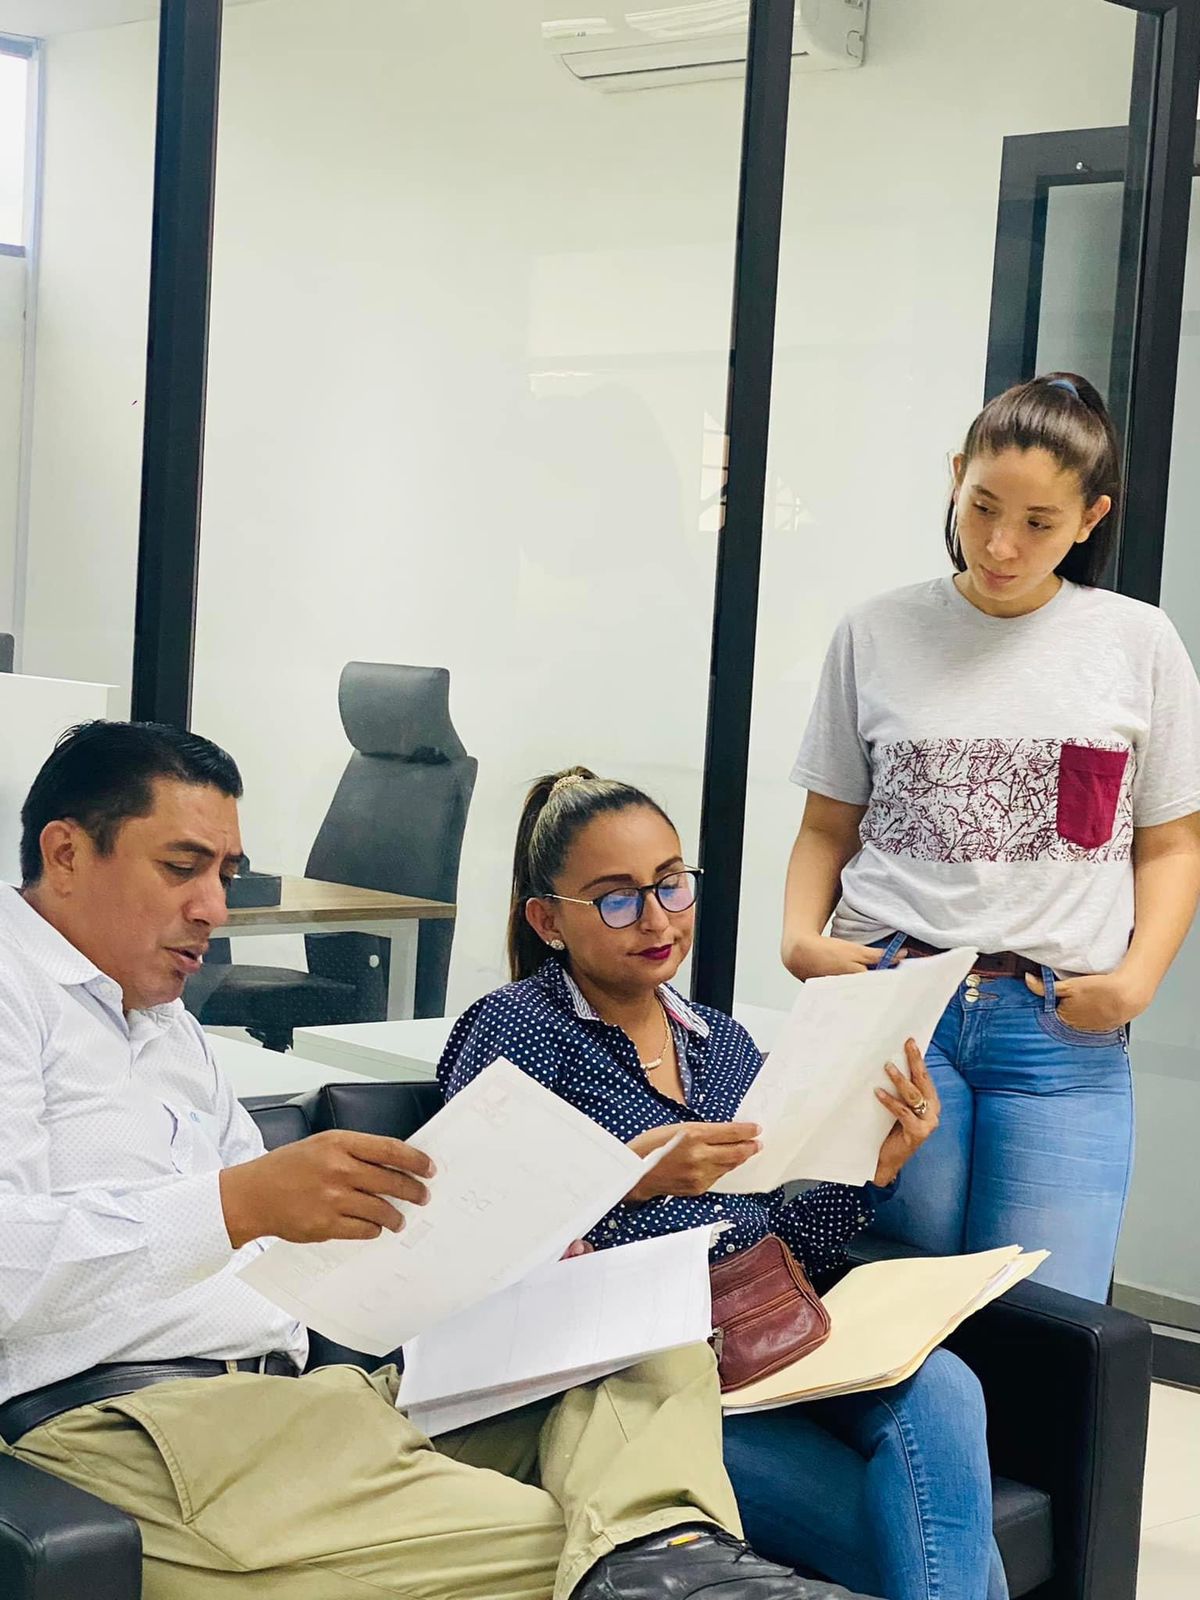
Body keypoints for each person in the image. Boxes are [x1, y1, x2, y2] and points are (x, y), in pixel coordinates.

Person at [0, 721, 875, 1600]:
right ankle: (669, 1564)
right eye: (181, 868)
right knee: (582, 1554)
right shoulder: (15, 990)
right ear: (67, 854)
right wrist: (240, 1204)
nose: (215, 909)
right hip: (142, 1425)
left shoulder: (169, 1029)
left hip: (319, 1399)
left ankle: (668, 1553)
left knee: (649, 1343)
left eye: (225, 874)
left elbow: (286, 1264)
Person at [438, 769, 1007, 1600]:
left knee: (948, 1384)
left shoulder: (722, 1043)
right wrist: (627, 1181)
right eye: (618, 899)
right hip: (636, 1380)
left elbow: (778, 1240)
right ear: (548, 920)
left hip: (761, 1333)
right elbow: (464, 1234)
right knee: (948, 1554)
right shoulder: (516, 1029)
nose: (659, 920)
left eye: (671, 884)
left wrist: (875, 1170)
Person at [782, 372, 1200, 1302]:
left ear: (1090, 518)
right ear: (955, 477)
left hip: (1058, 1026)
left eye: (1039, 522)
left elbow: (1171, 843)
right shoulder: (876, 631)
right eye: (982, 508)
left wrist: (1138, 979)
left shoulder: (1137, 644)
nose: (1002, 545)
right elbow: (827, 823)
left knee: (1045, 1313)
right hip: (896, 1003)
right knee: (891, 1294)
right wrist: (800, 938)